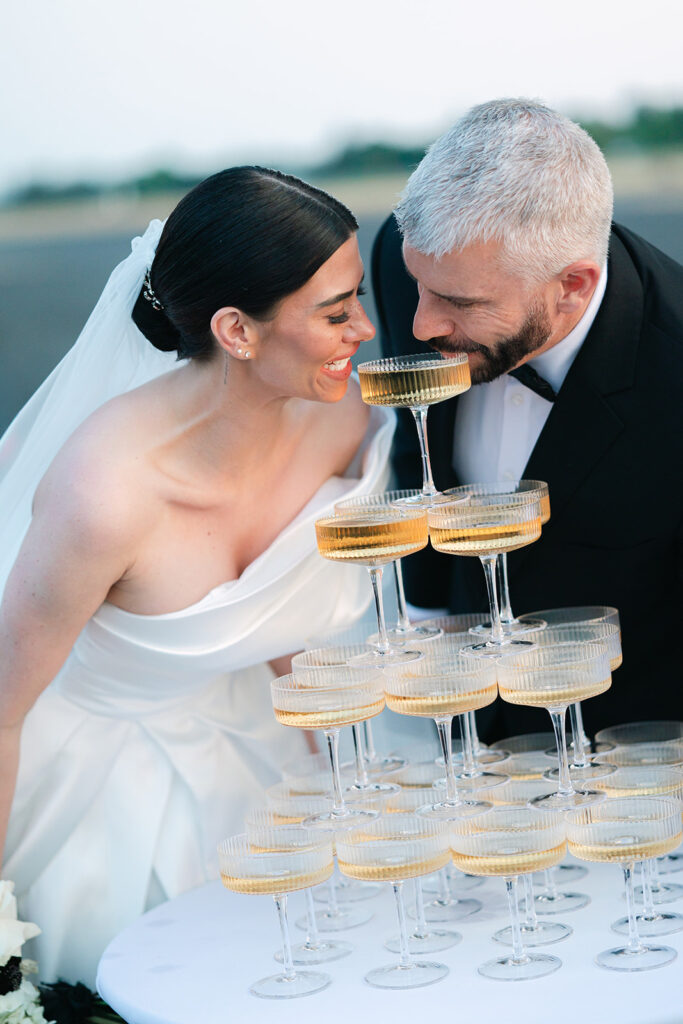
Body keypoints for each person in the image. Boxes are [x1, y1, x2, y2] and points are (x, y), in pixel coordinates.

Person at [0, 167, 394, 985]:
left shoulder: (345, 417)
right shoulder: (104, 497)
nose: (364, 327)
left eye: (358, 297)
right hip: (91, 804)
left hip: (265, 766)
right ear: (237, 330)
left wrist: (340, 770)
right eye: (334, 312)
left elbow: (283, 611)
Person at [372, 98, 683, 740]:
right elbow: (416, 436)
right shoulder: (416, 260)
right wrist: (426, 608)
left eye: (459, 303)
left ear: (572, 284)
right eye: (419, 288)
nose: (421, 325)